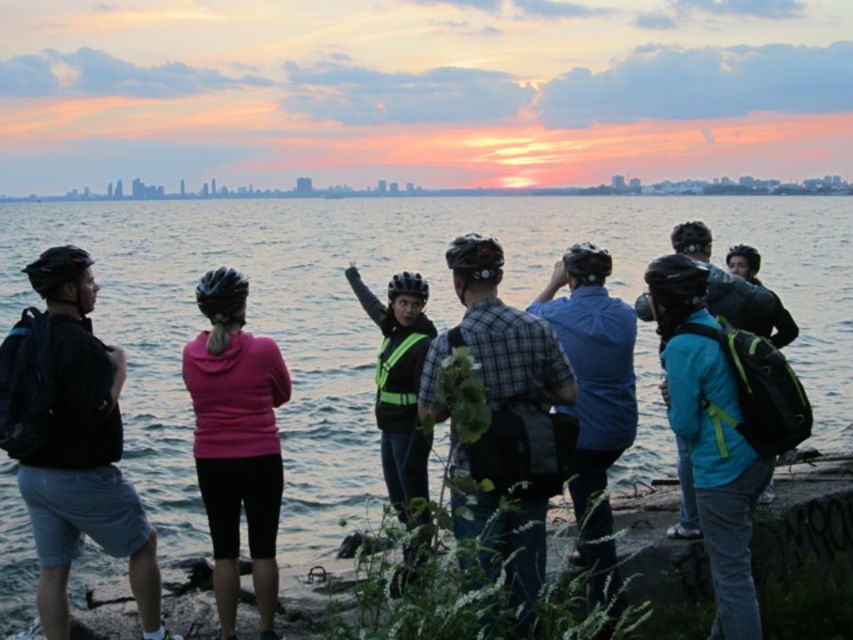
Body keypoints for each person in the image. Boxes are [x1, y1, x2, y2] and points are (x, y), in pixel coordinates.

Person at [16, 246, 181, 640]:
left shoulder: (30, 334)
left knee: (53, 571)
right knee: (144, 543)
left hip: (33, 474)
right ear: (70, 290)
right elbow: (98, 408)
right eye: (90, 281)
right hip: (79, 476)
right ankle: (154, 636)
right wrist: (119, 368)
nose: (97, 287)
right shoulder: (80, 344)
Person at [418, 233, 577, 637]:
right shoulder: (537, 328)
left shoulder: (449, 343)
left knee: (480, 578)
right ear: (501, 275)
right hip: (532, 464)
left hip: (475, 470)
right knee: (528, 576)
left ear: (457, 282)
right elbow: (569, 393)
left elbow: (428, 415)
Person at [644, 254, 773, 640]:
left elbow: (685, 425)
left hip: (722, 472)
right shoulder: (716, 326)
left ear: (666, 300)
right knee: (734, 565)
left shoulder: (682, 346)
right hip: (754, 457)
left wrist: (670, 400)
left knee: (732, 578)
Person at [643, 221, 776, 540]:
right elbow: (767, 303)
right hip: (729, 364)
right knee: (736, 427)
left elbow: (641, 309)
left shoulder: (691, 282)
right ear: (711, 247)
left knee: (688, 446)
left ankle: (692, 518)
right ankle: (742, 504)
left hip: (686, 361)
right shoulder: (729, 281)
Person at [526, 241, 636, 615]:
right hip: (622, 428)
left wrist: (553, 281)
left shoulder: (558, 313)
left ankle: (608, 604)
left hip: (585, 435)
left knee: (592, 504)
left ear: (570, 277)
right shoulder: (624, 314)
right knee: (593, 492)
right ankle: (589, 545)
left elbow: (528, 314)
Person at [183, 267, 290, 640]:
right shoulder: (263, 349)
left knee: (223, 551)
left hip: (211, 460)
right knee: (263, 550)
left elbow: (201, 400)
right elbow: (282, 394)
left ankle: (227, 633)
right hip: (261, 456)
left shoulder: (191, 353)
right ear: (242, 305)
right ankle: (265, 630)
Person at [344, 264, 436, 540]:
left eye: (415, 305)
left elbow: (428, 398)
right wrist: (352, 277)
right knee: (398, 501)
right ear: (393, 303)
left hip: (410, 431)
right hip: (389, 428)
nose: (408, 310)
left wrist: (420, 444)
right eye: (403, 303)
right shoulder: (392, 328)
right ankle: (412, 555)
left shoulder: (425, 343)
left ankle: (420, 562)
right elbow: (370, 304)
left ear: (423, 307)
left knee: (414, 500)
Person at [726, 244, 799, 349]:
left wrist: (763, 348)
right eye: (731, 266)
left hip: (752, 359)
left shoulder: (766, 298)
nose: (735, 270)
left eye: (741, 266)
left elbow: (790, 330)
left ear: (753, 271)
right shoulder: (723, 294)